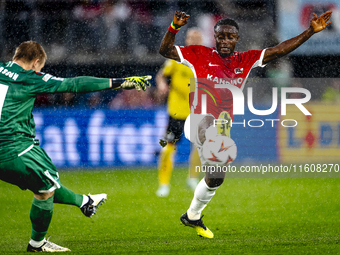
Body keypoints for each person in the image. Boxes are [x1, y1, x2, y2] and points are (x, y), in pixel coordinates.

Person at [159, 10, 332, 238]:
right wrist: (173, 27)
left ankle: (192, 215)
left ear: (236, 39)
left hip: (221, 129)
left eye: (230, 37)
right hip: (199, 122)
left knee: (215, 178)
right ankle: (169, 184)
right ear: (215, 37)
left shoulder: (245, 60)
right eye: (221, 36)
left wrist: (309, 31)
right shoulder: (199, 54)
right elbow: (165, 50)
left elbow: (279, 50)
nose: (225, 41)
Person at [0, 41, 151, 252]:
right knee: (46, 185)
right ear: (36, 63)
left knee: (45, 183)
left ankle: (84, 201)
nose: (40, 71)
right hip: (13, 146)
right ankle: (37, 244)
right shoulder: (30, 78)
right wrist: (121, 82)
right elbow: (75, 84)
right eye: (40, 68)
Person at [156, 27, 203, 197]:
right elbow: (161, 75)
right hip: (176, 112)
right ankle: (164, 184)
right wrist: (162, 84)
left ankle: (192, 178)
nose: (195, 40)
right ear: (187, 40)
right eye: (192, 37)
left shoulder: (207, 60)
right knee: (168, 148)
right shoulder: (177, 58)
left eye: (198, 37)